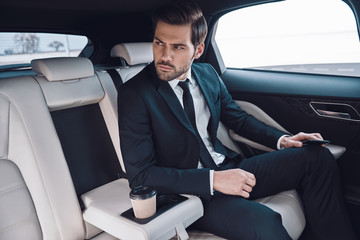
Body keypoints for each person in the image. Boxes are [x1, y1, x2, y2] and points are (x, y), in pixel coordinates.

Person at [117, 1, 357, 239]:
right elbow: (142, 175)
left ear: (198, 50)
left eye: (178, 47)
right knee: (265, 222)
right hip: (192, 193)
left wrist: (283, 140)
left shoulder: (207, 75)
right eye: (159, 43)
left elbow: (239, 119)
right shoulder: (135, 94)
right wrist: (213, 180)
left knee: (317, 157)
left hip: (230, 168)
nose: (165, 55)